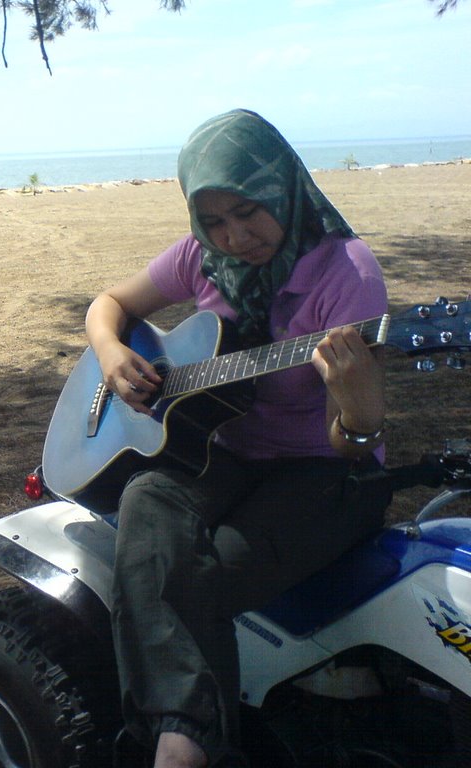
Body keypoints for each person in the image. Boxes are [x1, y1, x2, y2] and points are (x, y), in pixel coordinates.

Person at [84, 109, 391, 768]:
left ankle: (179, 745)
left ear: (282, 186)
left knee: (202, 573)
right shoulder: (199, 257)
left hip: (324, 470)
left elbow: (350, 443)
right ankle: (196, 738)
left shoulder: (346, 272)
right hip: (222, 452)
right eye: (213, 220)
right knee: (145, 503)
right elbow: (107, 303)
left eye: (248, 211)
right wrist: (112, 353)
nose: (234, 236)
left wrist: (361, 418)